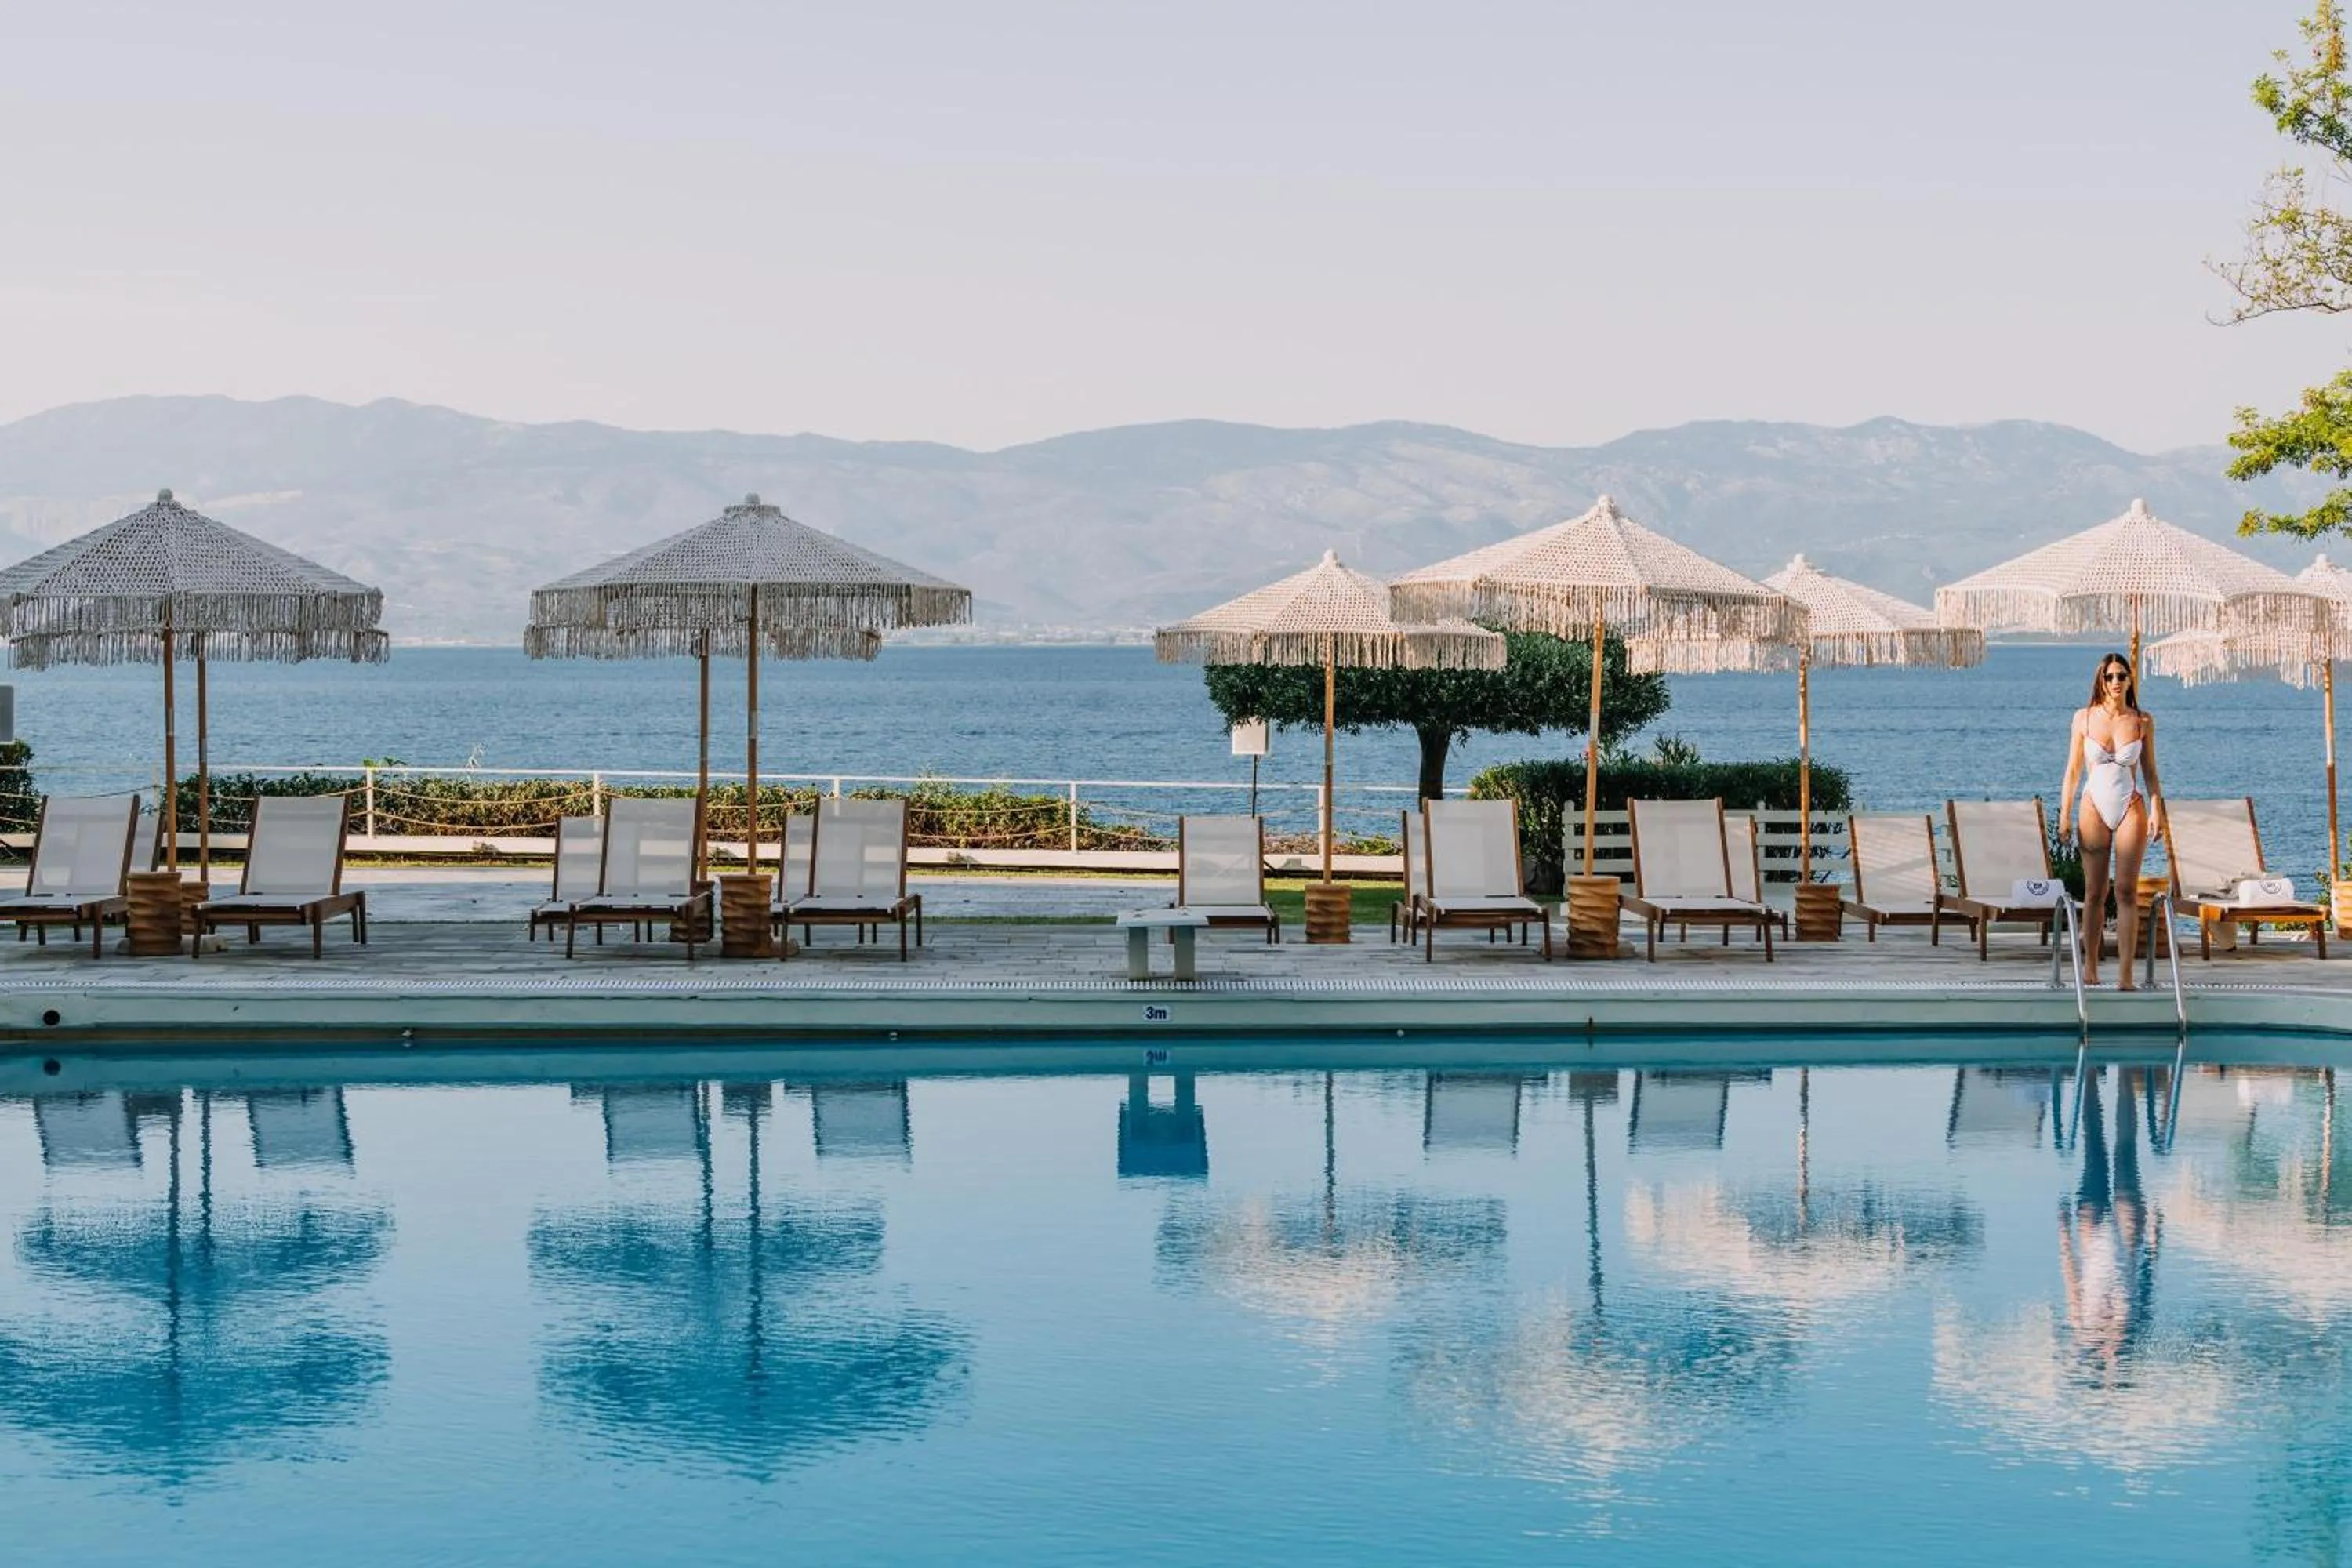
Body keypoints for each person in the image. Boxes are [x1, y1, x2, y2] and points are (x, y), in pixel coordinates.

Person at [2057, 652, 2165, 989]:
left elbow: (2149, 771)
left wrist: (2158, 809)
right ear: (2100, 681)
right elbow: (2073, 772)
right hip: (2093, 806)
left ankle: (2126, 975)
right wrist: (2064, 814)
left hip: (2130, 805)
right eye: (2109, 676)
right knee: (2094, 891)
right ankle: (2090, 967)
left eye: (2121, 676)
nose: (2116, 682)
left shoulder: (2142, 721)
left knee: (2126, 891)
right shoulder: (2084, 718)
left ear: (2131, 680)